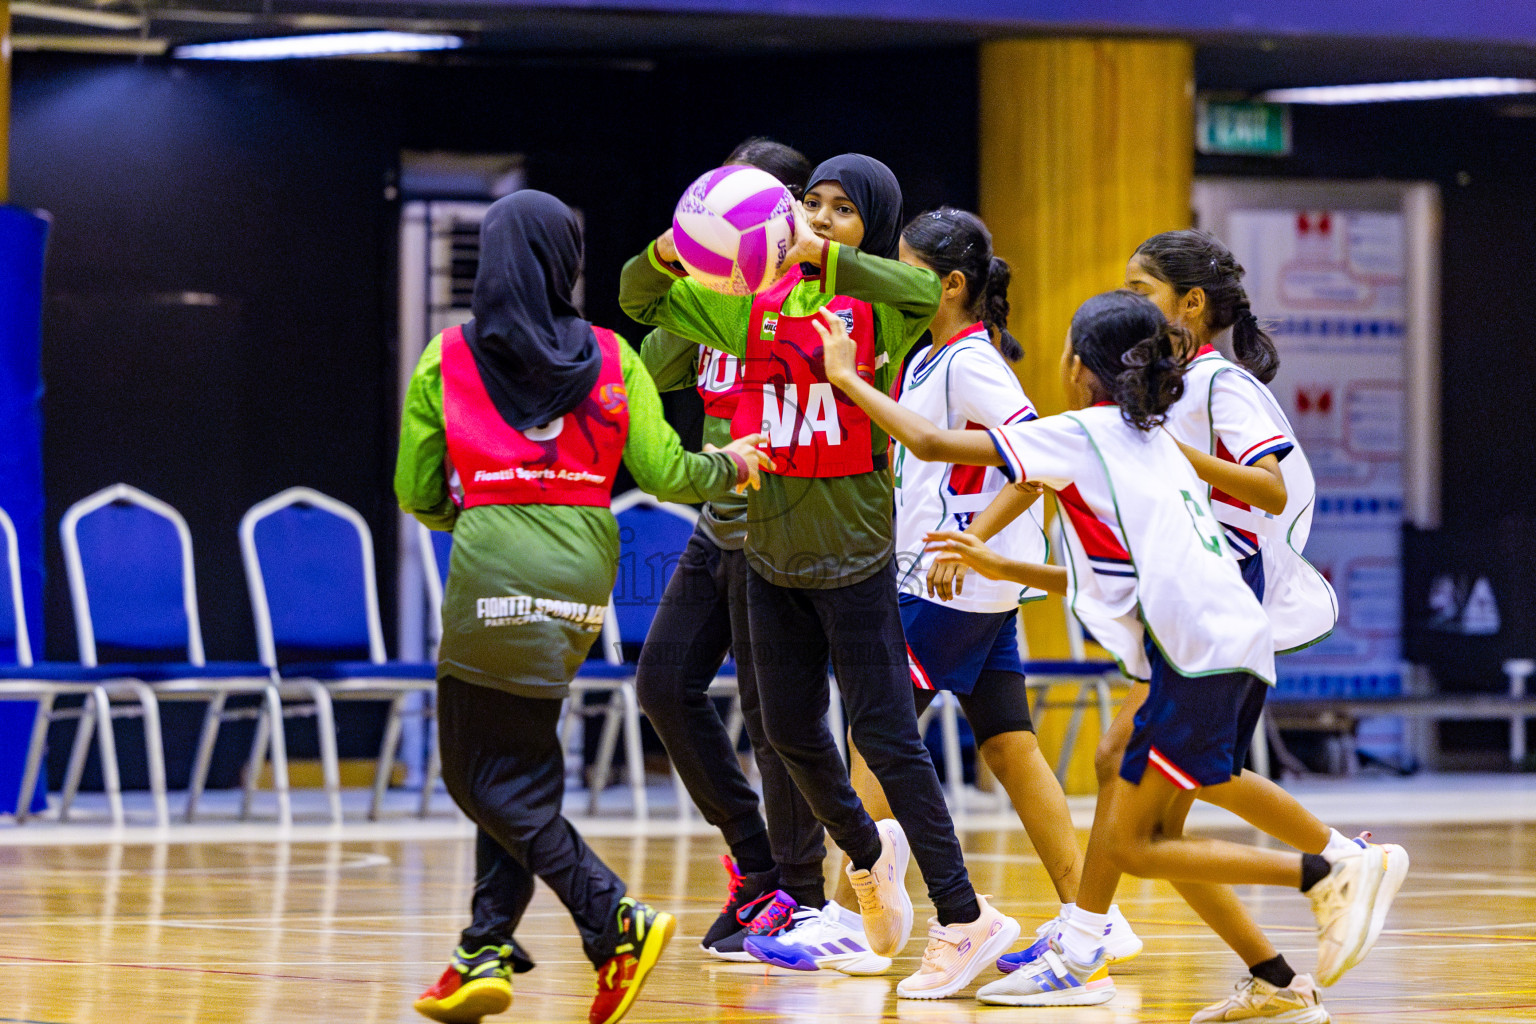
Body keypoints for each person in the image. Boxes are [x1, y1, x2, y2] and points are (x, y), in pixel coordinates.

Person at [815, 288, 1400, 1009]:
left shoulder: (1080, 433)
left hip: (1196, 652)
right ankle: (1272, 979)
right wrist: (1007, 568)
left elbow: (933, 443)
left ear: (1077, 366)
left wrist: (845, 377)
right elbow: (1106, 576)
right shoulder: (1149, 442)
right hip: (1220, 643)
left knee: (1135, 843)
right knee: (1153, 820)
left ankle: (1331, 870)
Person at [620, 154, 1021, 1000]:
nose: (822, 216)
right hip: (765, 551)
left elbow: (921, 296)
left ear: (868, 226)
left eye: (842, 209)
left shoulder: (880, 305)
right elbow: (637, 300)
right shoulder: (750, 311)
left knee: (884, 737)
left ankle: (964, 915)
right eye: (812, 204)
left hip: (854, 556)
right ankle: (871, 861)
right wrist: (678, 242)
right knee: (790, 735)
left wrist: (818, 253)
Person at [397, 190, 769, 1024]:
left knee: (472, 769)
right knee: (518, 760)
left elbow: (415, 490)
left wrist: (485, 506)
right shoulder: (611, 355)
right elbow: (670, 473)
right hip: (582, 570)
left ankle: (612, 919)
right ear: (567, 263)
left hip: (495, 555)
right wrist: (733, 465)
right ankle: (483, 947)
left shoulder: (447, 355)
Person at [823, 206, 1141, 966]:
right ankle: (1092, 914)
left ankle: (846, 912)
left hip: (948, 584)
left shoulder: (972, 361)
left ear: (952, 283)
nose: (894, 280)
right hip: (966, 587)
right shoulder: (930, 356)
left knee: (877, 734)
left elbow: (1030, 459)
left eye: (907, 268)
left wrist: (979, 538)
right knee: (1009, 747)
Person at [631, 138, 834, 965]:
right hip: (718, 522)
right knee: (663, 684)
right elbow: (652, 365)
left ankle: (801, 891)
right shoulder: (712, 291)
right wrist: (693, 268)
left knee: (774, 716)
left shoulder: (810, 295)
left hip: (782, 532)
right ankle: (757, 862)